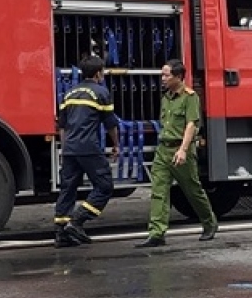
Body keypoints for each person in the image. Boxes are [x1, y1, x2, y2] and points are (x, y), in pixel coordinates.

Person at [136, 60, 218, 247]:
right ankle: (157, 232)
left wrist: (183, 149)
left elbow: (191, 124)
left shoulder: (190, 97)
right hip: (163, 149)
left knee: (192, 190)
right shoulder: (166, 98)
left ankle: (209, 222)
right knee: (159, 191)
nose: (162, 79)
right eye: (162, 75)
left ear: (179, 77)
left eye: (166, 75)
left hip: (181, 150)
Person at [53, 55, 119, 247]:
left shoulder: (69, 93)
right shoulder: (101, 92)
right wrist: (116, 144)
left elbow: (62, 126)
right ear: (99, 73)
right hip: (89, 147)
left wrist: (66, 149)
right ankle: (77, 221)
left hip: (70, 149)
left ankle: (61, 233)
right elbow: (110, 123)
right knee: (105, 186)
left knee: (68, 189)